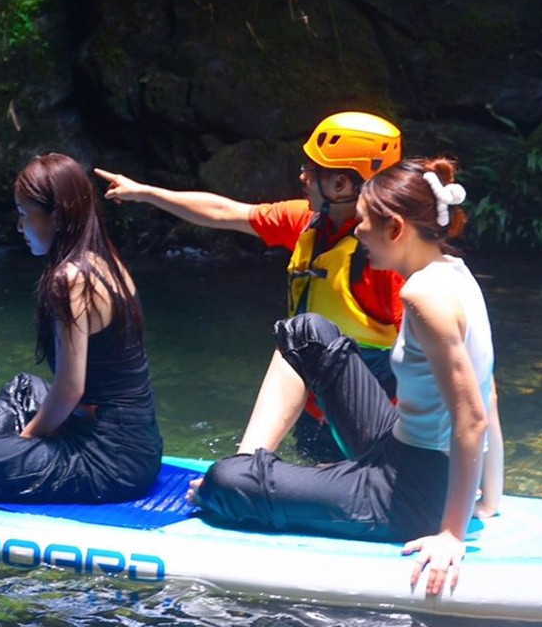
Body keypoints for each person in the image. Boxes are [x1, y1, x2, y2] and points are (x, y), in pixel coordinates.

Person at [188, 157, 504, 598]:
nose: (356, 233)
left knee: (224, 484)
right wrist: (490, 499)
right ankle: (254, 463)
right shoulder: (456, 273)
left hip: (411, 494)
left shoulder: (421, 295)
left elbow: (471, 418)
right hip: (402, 450)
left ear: (395, 228)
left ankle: (245, 475)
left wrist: (451, 533)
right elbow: (488, 390)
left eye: (363, 223)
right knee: (307, 332)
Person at [94, 111, 405, 462]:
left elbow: (425, 361)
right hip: (314, 412)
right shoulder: (306, 222)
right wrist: (145, 193)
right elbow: (223, 212)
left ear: (343, 185)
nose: (302, 176)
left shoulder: (386, 263)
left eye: (312, 170)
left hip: (369, 422)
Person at [0, 153, 163, 503]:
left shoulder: (72, 280)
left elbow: (70, 389)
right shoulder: (105, 260)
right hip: (135, 443)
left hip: (110, 461)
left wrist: (23, 446)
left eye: (25, 216)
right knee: (22, 389)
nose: (19, 227)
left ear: (56, 217)